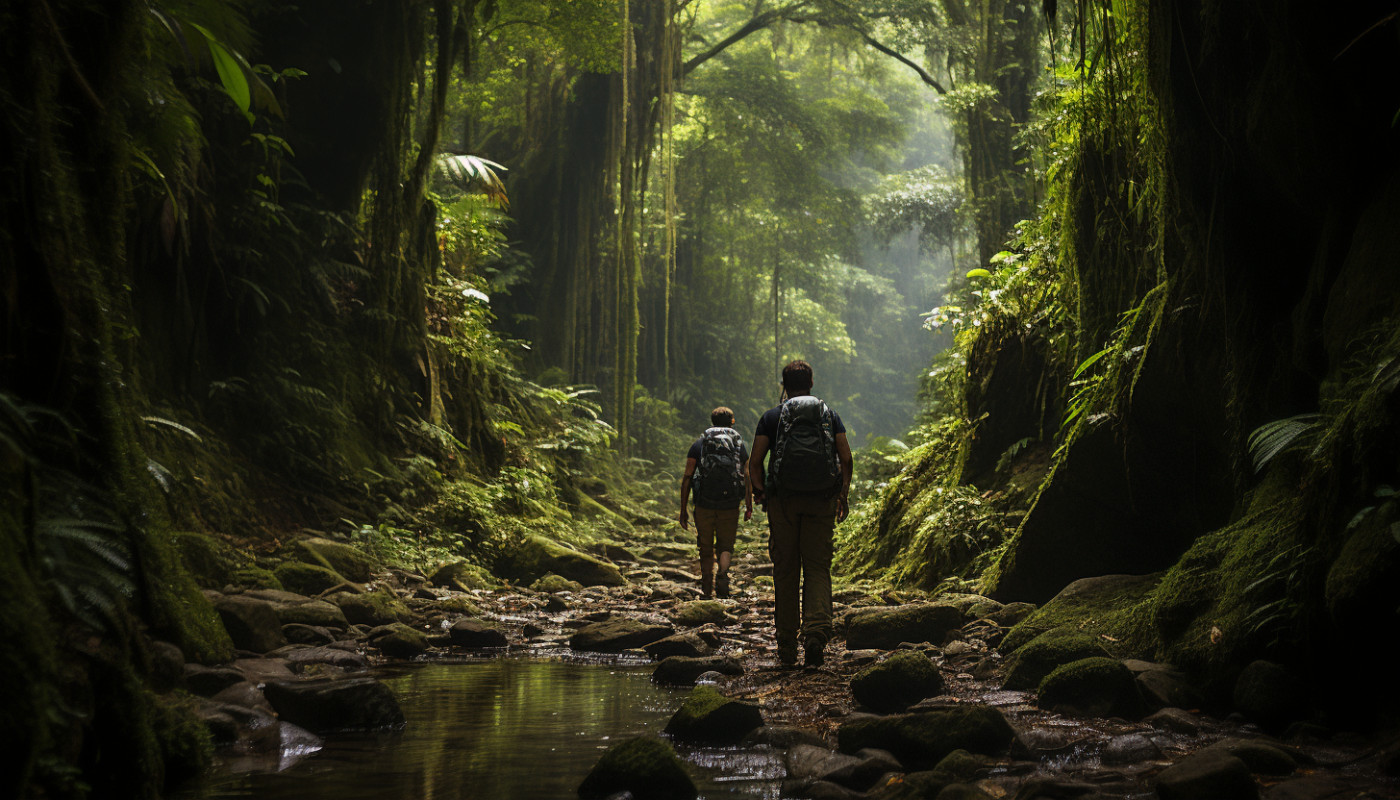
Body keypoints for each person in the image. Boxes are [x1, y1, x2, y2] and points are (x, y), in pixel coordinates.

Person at [748, 360, 853, 667]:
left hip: (784, 502)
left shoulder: (772, 417)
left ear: (784, 384)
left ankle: (786, 646)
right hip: (821, 500)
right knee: (818, 568)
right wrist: (841, 494)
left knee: (786, 570)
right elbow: (845, 459)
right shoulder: (828, 415)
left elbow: (755, 462)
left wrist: (761, 493)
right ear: (811, 381)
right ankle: (816, 637)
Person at [678, 407, 753, 598]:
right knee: (725, 545)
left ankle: (706, 587)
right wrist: (749, 503)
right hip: (730, 503)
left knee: (705, 546)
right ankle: (723, 575)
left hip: (704, 502)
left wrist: (683, 509)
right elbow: (746, 474)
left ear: (712, 421)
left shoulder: (700, 443)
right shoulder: (738, 443)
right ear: (732, 422)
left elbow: (688, 476)